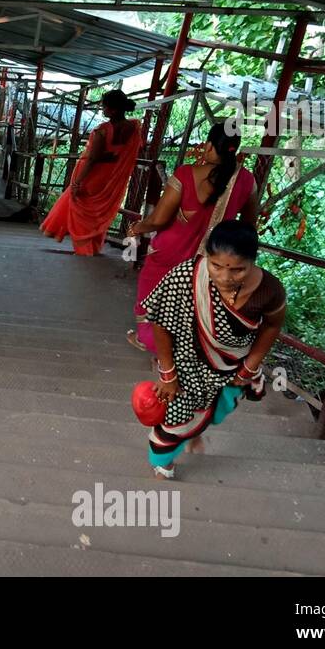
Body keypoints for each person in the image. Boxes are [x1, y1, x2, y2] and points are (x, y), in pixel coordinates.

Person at [139, 221, 286, 479]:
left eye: (238, 270)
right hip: (184, 362)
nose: (224, 277)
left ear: (253, 262)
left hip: (232, 365)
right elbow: (161, 322)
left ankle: (194, 433)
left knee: (217, 410)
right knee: (176, 414)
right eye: (215, 266)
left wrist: (250, 367)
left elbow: (272, 326)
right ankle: (164, 463)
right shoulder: (185, 276)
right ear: (206, 256)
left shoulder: (270, 290)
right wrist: (168, 374)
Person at [127, 122, 258, 352]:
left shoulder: (186, 174)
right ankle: (183, 352)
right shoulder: (247, 182)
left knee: (153, 299)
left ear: (209, 146)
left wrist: (137, 227)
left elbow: (158, 220)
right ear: (234, 149)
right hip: (212, 260)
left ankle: (153, 344)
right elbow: (248, 226)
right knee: (192, 306)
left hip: (169, 254)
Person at [40, 89, 142, 256]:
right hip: (112, 177)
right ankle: (92, 248)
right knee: (96, 214)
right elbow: (122, 152)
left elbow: (93, 158)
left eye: (105, 107)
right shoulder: (133, 127)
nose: (103, 109)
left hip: (94, 176)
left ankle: (84, 250)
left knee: (82, 212)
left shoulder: (102, 130)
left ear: (113, 109)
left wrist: (77, 181)